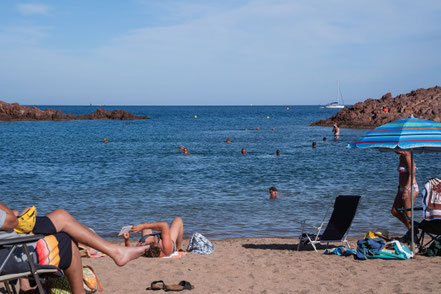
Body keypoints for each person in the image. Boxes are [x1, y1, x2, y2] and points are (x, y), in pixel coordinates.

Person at [0, 203, 148, 294]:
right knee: (66, 240)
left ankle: (116, 252)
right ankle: (115, 253)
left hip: (6, 252)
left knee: (60, 216)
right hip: (10, 256)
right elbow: (11, 221)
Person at [391, 151, 419, 239]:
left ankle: (412, 235)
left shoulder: (408, 156)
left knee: (407, 213)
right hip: (401, 188)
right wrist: (400, 188)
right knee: (395, 211)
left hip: (410, 188)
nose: (394, 150)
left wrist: (406, 190)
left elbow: (412, 175)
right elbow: (402, 174)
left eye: (396, 148)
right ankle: (412, 230)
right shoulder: (401, 156)